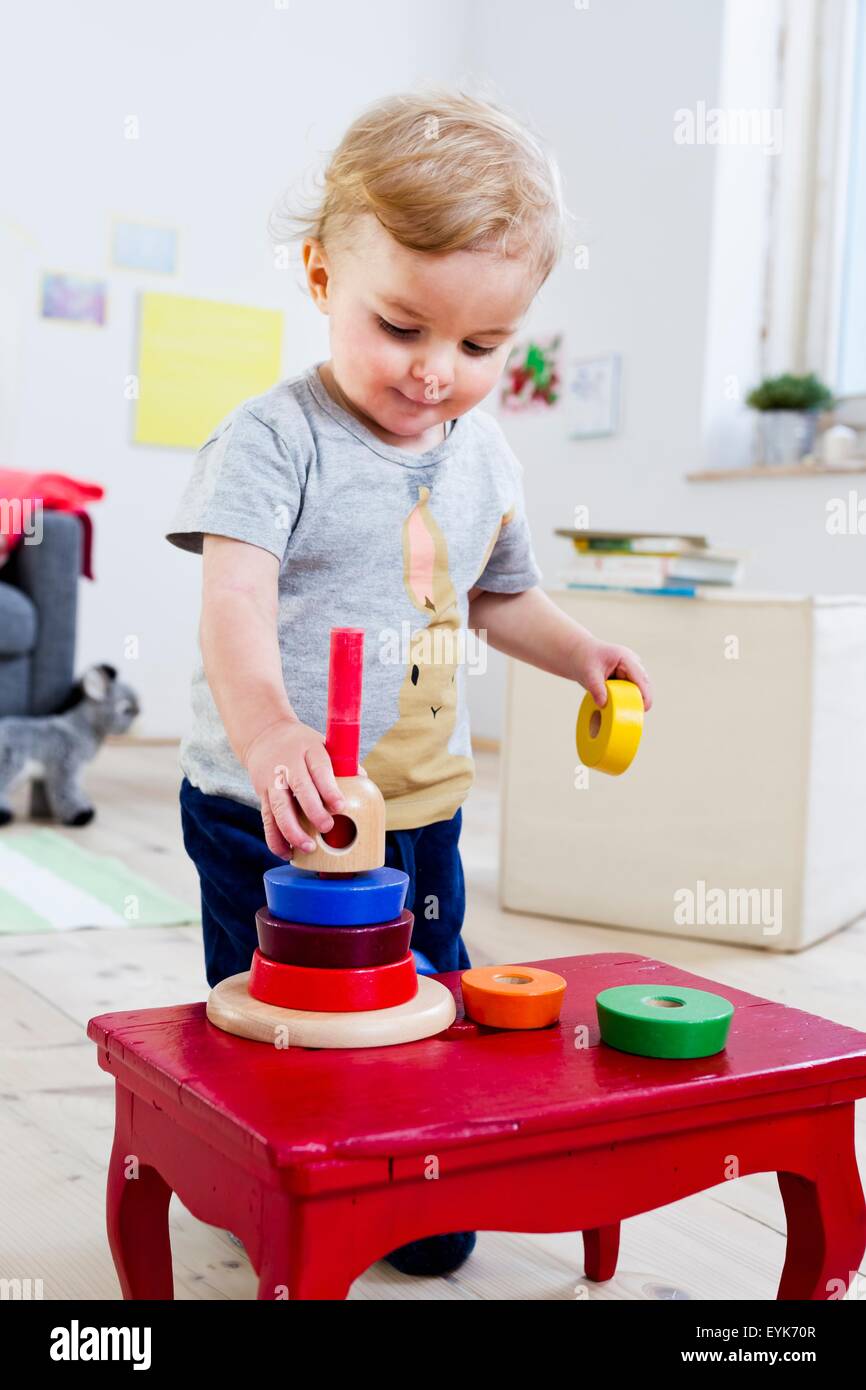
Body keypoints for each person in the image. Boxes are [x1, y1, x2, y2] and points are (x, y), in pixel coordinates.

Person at [166, 87, 652, 1282]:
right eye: (402, 327)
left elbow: (499, 596)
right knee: (282, 1026)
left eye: (479, 347)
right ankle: (278, 1182)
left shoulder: (482, 455)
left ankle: (413, 1179)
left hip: (420, 811)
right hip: (266, 807)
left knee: (425, 1012)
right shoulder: (271, 439)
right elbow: (232, 599)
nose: (437, 372)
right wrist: (273, 731)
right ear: (322, 276)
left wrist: (581, 652)